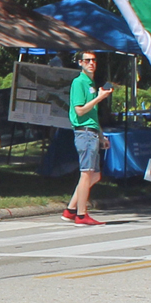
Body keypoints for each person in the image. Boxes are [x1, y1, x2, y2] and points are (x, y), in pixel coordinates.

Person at [62, 52, 112, 226]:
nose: (91, 63)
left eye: (94, 60)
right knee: (86, 173)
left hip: (91, 132)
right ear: (80, 63)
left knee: (94, 174)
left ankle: (70, 209)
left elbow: (92, 115)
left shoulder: (91, 83)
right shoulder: (79, 82)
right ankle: (81, 214)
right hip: (84, 133)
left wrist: (101, 135)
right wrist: (99, 98)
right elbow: (80, 111)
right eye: (87, 60)